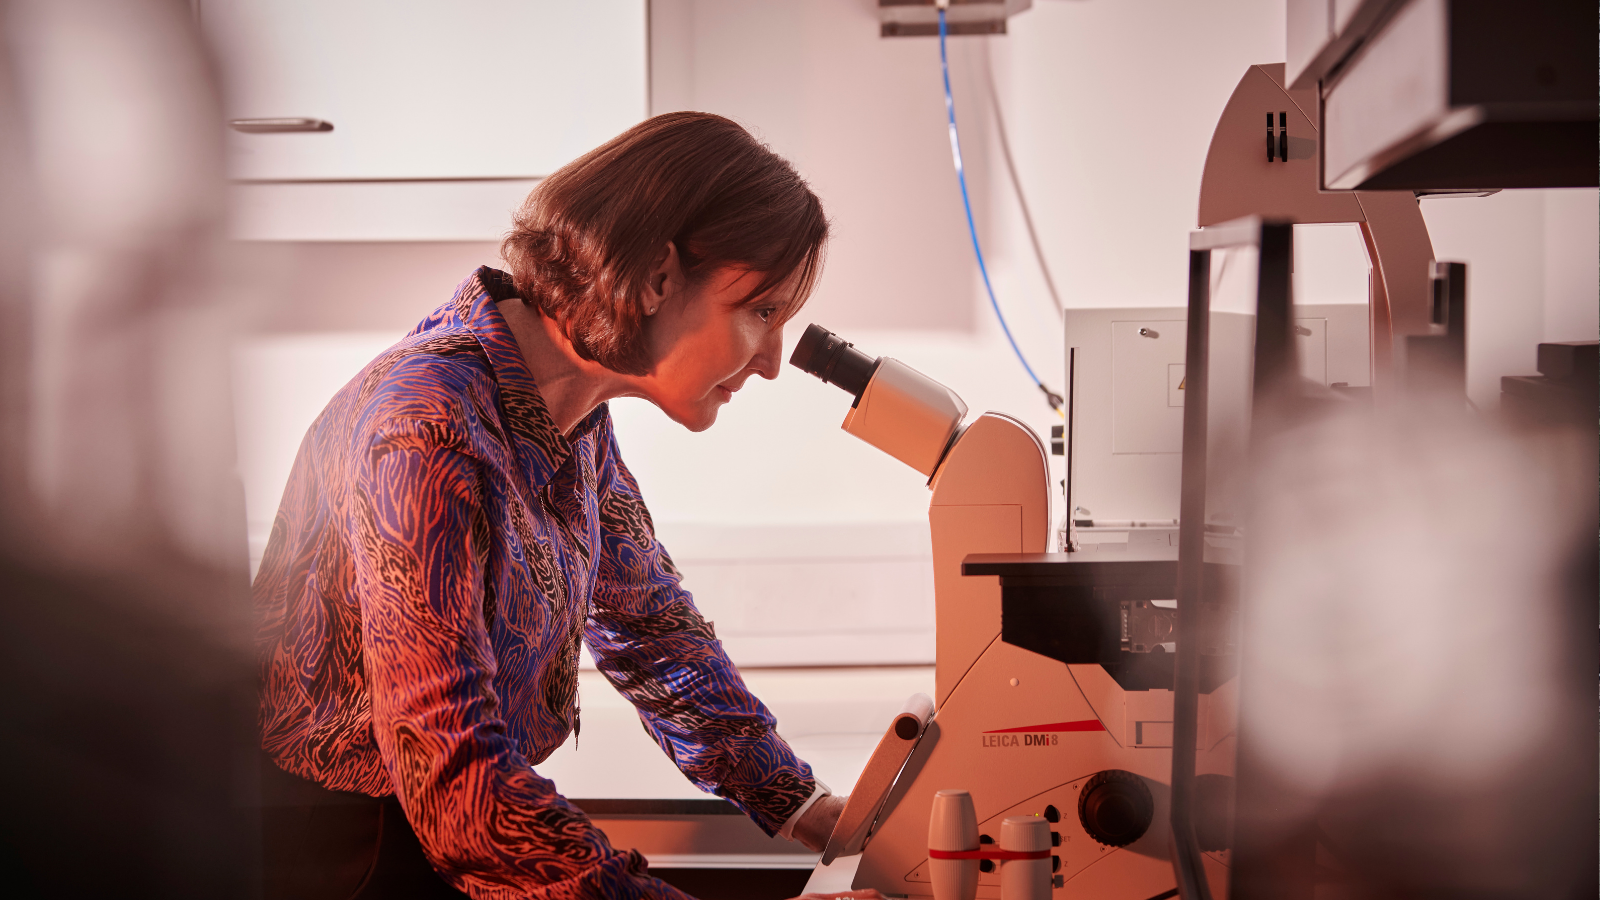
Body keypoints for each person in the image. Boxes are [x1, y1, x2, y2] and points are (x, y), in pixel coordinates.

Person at [254, 111, 881, 900]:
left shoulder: (568, 410)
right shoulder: (423, 427)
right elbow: (457, 781)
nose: (772, 363)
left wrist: (810, 808)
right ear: (657, 277)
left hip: (448, 830)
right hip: (357, 855)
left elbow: (653, 630)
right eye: (760, 312)